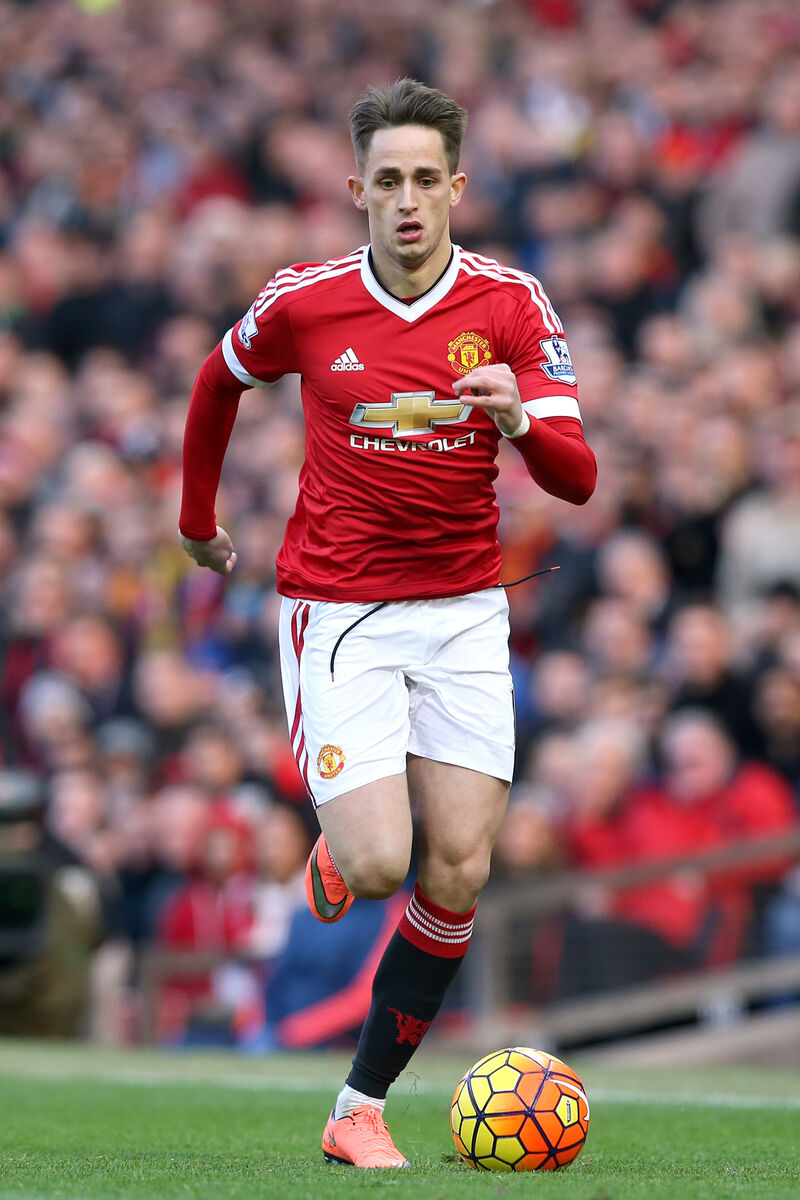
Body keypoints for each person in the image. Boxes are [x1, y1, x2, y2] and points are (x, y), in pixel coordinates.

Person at [179, 79, 596, 1168]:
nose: (407, 200)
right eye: (388, 181)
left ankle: (357, 1109)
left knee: (455, 874)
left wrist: (519, 424)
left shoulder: (510, 304)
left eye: (426, 179)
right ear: (355, 189)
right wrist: (195, 521)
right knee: (377, 868)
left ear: (455, 187)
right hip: (342, 609)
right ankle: (341, 846)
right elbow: (216, 384)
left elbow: (579, 477)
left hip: (461, 614)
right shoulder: (303, 302)